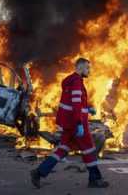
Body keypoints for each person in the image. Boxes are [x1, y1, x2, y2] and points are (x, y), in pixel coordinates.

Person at [30, 58, 109, 189]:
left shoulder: (70, 81)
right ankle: (95, 179)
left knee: (62, 149)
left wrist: (87, 109)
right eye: (87, 68)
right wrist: (79, 123)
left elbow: (74, 103)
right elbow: (76, 105)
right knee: (89, 150)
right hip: (76, 124)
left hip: (68, 124)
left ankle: (39, 172)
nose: (89, 71)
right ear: (80, 68)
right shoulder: (77, 82)